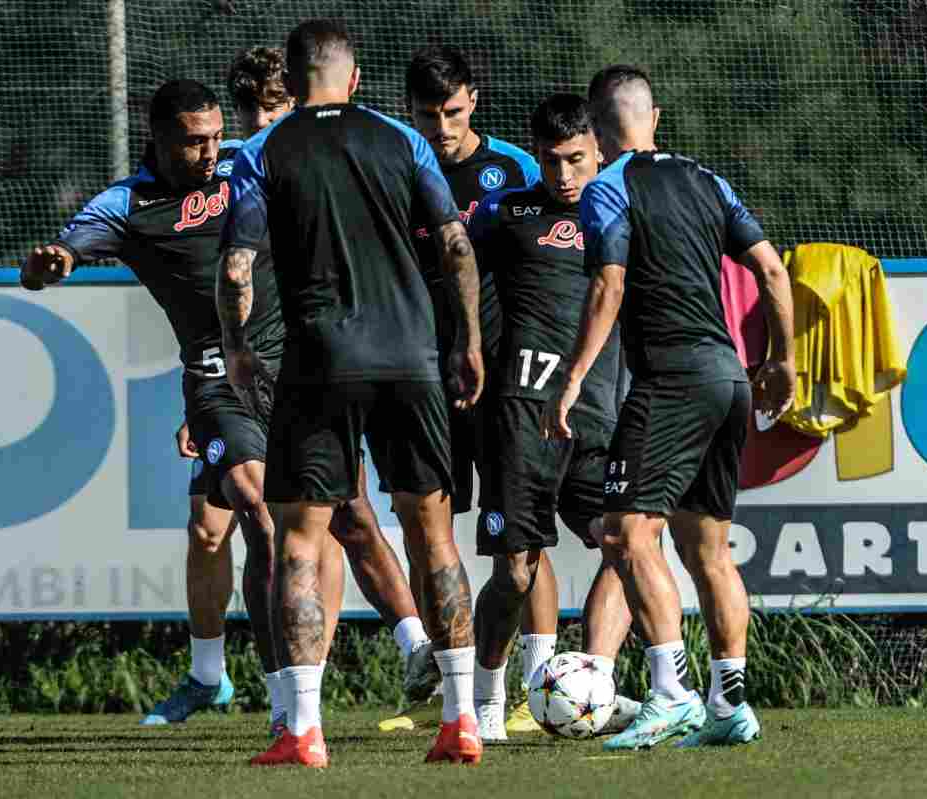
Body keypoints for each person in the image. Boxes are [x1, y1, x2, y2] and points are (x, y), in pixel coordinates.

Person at [218, 19, 484, 767]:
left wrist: (236, 349)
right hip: (411, 358)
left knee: (300, 540)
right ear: (356, 78)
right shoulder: (404, 141)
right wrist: (466, 341)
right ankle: (463, 718)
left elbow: (237, 267)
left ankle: (304, 729)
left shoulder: (263, 151)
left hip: (318, 361)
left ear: (293, 77)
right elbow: (456, 245)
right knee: (433, 535)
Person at [544, 65, 796, 750]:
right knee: (706, 546)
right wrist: (782, 360)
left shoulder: (607, 188)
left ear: (596, 132)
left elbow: (609, 285)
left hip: (671, 381)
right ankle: (730, 705)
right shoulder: (708, 181)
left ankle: (671, 694)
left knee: (626, 534)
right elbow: (772, 270)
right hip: (727, 378)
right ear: (654, 118)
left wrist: (572, 378)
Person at [21, 79, 285, 728]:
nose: (210, 151)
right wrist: (54, 261)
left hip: (291, 366)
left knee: (229, 525)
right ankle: (266, 690)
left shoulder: (247, 161)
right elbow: (72, 245)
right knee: (251, 510)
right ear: (159, 138)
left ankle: (409, 650)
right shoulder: (127, 203)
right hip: (215, 377)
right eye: (194, 141)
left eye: (216, 136)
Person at [386, 44, 553, 734]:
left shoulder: (513, 170)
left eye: (453, 112)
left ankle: (538, 686)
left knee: (521, 530)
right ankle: (447, 684)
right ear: (409, 111)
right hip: (417, 373)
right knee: (424, 526)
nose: (442, 128)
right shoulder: (395, 168)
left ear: (474, 102)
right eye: (428, 115)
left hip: (501, 373)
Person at [467, 93, 640, 742]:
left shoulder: (625, 213)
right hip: (521, 417)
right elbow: (457, 275)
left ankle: (597, 682)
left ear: (599, 151)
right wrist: (467, 351)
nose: (563, 175)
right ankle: (485, 699)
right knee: (515, 571)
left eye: (576, 159)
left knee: (627, 545)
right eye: (549, 160)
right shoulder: (505, 213)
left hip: (597, 421)